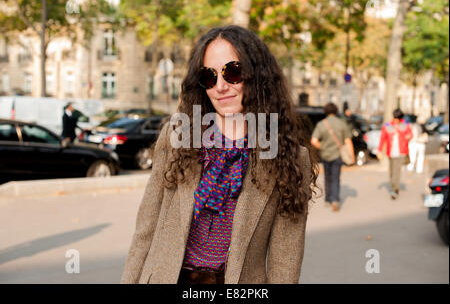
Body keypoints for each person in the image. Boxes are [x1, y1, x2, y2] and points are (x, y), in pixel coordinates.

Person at [120, 25, 318, 284]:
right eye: (209, 77)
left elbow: (286, 261)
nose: (221, 86)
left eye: (232, 72)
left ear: (257, 75)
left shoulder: (288, 156)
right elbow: (145, 232)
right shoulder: (177, 137)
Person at [311, 102, 355, 212]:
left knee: (327, 177)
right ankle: (335, 200)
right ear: (335, 111)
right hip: (337, 155)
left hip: (325, 155)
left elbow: (313, 141)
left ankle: (327, 199)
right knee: (336, 178)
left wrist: (323, 147)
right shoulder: (341, 124)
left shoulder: (321, 124)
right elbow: (348, 141)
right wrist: (352, 157)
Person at [377, 108, 413, 200]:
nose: (396, 120)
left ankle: (395, 189)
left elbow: (410, 134)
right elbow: (382, 138)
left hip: (401, 151)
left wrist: (406, 135)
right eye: (395, 118)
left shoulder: (405, 125)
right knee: (392, 171)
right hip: (391, 152)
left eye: (398, 118)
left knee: (397, 171)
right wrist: (379, 150)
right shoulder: (388, 125)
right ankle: (394, 185)